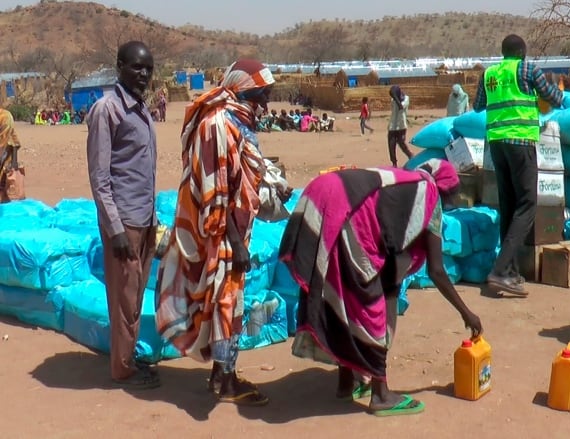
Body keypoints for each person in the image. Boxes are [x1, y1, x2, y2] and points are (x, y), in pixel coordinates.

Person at [279, 158, 483, 417]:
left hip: (325, 195)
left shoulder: (405, 185)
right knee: (369, 305)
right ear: (446, 189)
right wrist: (466, 313)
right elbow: (437, 271)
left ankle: (346, 381)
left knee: (344, 296)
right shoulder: (428, 195)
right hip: (344, 211)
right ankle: (381, 394)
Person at [156, 59, 281, 406]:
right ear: (243, 91)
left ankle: (221, 374)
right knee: (225, 302)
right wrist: (235, 241)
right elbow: (215, 189)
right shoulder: (217, 125)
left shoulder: (236, 123)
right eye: (261, 96)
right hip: (219, 233)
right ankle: (226, 382)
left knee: (226, 302)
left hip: (233, 230)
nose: (265, 105)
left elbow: (240, 174)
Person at [86, 41, 159, 388]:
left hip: (144, 217)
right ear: (119, 67)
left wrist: (154, 218)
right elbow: (100, 178)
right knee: (123, 297)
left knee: (136, 293)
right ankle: (122, 368)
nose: (143, 74)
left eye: (148, 69)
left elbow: (144, 170)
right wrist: (114, 229)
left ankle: (127, 357)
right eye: (136, 68)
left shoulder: (142, 110)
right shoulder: (107, 110)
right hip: (124, 222)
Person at [473, 34, 563, 296]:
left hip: (497, 144)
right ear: (523, 52)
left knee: (509, 204)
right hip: (521, 142)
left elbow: (478, 106)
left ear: (503, 53)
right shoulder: (528, 69)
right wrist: (553, 94)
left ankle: (510, 270)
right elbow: (553, 98)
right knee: (527, 204)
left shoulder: (490, 73)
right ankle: (500, 270)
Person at [387, 85, 414, 167]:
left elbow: (401, 106)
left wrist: (396, 98)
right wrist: (395, 98)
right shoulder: (393, 100)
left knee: (401, 143)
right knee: (391, 145)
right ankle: (394, 163)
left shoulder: (406, 99)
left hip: (401, 125)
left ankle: (410, 155)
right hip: (392, 125)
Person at [0, 106, 22, 201]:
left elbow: (5, 142)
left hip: (5, 155)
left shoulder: (5, 116)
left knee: (6, 188)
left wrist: (14, 163)